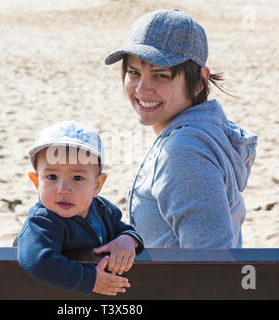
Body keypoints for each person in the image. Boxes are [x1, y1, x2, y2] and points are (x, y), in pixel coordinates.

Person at [104, 8, 258, 248]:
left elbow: (209, 264)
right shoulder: (201, 133)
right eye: (134, 72)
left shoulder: (184, 152)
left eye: (161, 75)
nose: (142, 89)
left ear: (199, 81)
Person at [17, 120, 144, 296]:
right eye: (52, 176)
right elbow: (37, 261)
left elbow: (122, 228)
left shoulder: (103, 210)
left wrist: (128, 239)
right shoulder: (42, 222)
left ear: (97, 185)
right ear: (37, 182)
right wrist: (90, 280)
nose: (63, 190)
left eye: (77, 178)